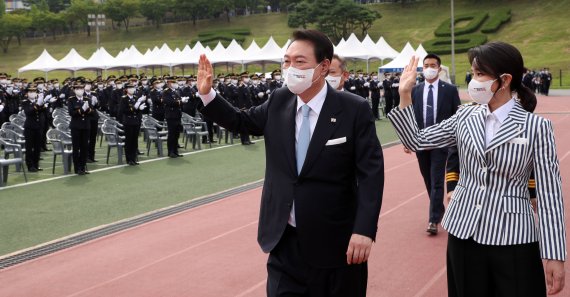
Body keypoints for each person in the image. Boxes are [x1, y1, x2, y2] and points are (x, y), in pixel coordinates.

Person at [196, 29, 384, 297]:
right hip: (284, 241)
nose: (290, 68)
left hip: (336, 244)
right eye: (286, 61)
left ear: (323, 66)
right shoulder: (279, 100)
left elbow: (371, 174)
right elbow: (243, 122)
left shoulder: (353, 109)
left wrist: (364, 230)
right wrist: (208, 96)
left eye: (300, 62)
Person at [388, 41, 566, 297]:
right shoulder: (465, 116)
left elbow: (550, 195)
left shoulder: (536, 127)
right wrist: (405, 95)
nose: (474, 81)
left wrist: (554, 254)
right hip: (464, 232)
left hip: (513, 237)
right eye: (473, 73)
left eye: (480, 74)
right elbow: (415, 140)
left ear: (504, 80)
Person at [404, 53, 461, 235]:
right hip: (421, 142)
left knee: (437, 180)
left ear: (439, 67)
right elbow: (410, 116)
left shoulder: (449, 90)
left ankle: (433, 219)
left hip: (441, 142)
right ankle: (438, 209)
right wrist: (408, 139)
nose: (429, 68)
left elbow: (457, 115)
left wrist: (456, 140)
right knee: (428, 179)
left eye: (433, 65)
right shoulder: (416, 89)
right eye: (426, 65)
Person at [68, 81, 94, 175]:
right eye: (77, 89)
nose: (80, 90)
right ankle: (77, 168)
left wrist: (88, 109)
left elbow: (93, 112)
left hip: (86, 126)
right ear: (74, 90)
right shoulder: (71, 100)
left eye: (81, 89)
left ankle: (82, 167)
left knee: (84, 147)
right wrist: (81, 110)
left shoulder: (87, 98)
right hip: (76, 126)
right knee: (76, 148)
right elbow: (72, 113)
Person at [118, 82, 146, 165]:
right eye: (130, 88)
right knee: (129, 141)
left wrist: (140, 108)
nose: (132, 89)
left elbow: (137, 110)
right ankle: (129, 159)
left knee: (135, 140)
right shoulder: (124, 99)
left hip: (136, 121)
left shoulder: (136, 97)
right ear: (126, 90)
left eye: (133, 88)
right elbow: (123, 111)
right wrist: (135, 107)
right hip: (128, 122)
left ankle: (134, 158)